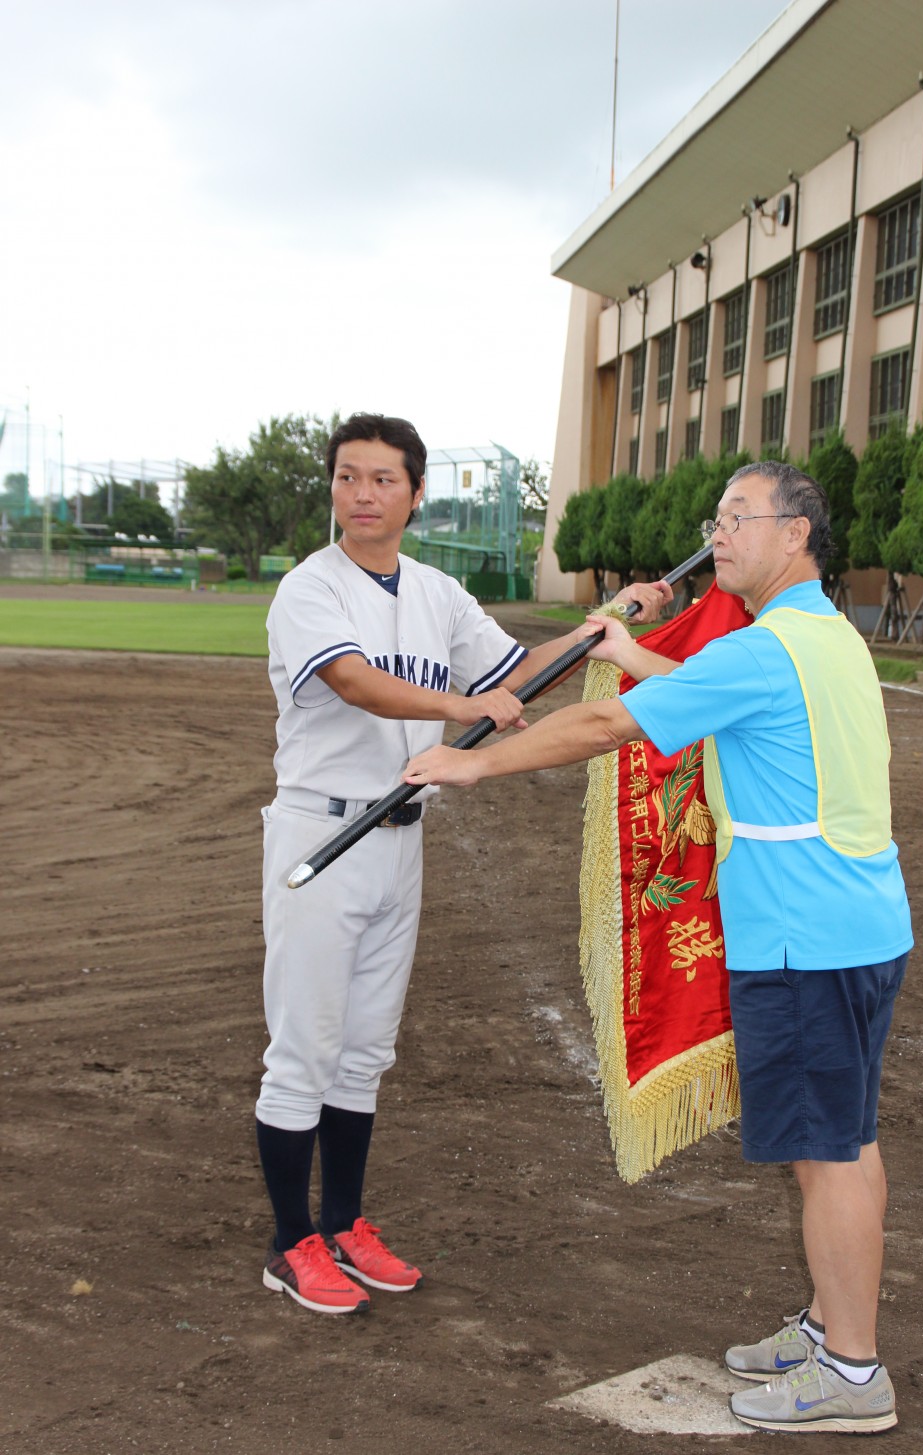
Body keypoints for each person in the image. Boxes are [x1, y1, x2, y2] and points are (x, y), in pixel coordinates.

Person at [405, 461, 912, 1434]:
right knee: (841, 1141)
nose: (716, 534)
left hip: (806, 939)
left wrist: (474, 761)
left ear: (795, 535)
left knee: (828, 1151)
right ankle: (826, 1324)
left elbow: (602, 725)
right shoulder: (816, 636)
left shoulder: (767, 650)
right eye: (714, 518)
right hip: (856, 926)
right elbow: (697, 690)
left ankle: (850, 1372)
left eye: (737, 518)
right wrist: (626, 647)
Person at [256, 411, 668, 1317]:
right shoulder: (309, 588)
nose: (361, 494)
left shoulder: (436, 591)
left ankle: (347, 1225)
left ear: (414, 493)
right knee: (304, 1054)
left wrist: (605, 625)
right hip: (322, 838)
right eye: (347, 476)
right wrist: (459, 699)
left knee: (363, 1052)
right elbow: (355, 680)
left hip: (400, 837)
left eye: (381, 479)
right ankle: (291, 1243)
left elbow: (521, 674)